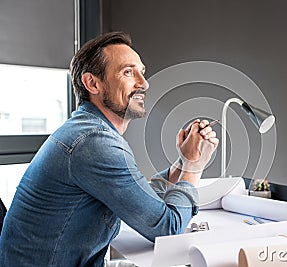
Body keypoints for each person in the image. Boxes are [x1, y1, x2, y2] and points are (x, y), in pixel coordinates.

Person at [0, 32, 218, 266]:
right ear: (92, 83)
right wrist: (194, 165)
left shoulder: (88, 131)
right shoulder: (94, 142)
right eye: (128, 72)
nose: (144, 83)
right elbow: (168, 229)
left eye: (141, 72)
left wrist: (182, 162)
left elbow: (141, 200)